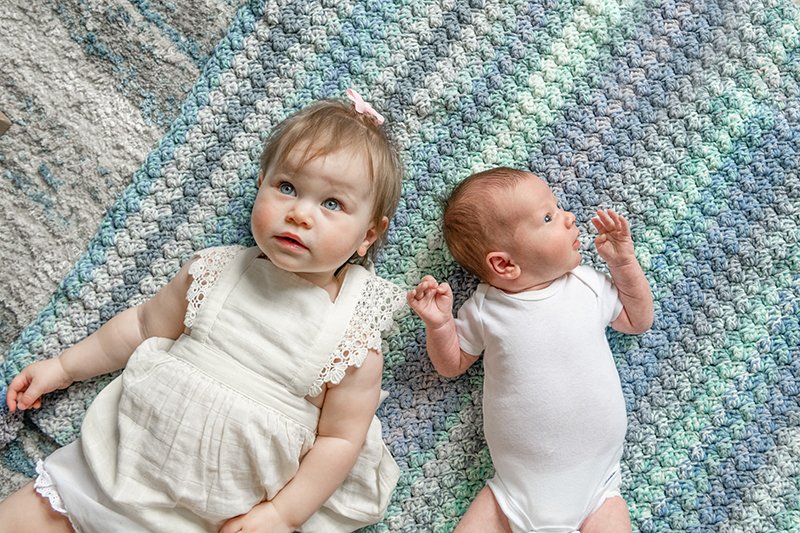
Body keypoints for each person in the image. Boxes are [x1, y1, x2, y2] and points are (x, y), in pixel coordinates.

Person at [0, 89, 406, 533]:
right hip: (110, 470)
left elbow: (339, 441)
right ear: (260, 185)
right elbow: (140, 326)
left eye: (332, 204)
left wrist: (281, 515)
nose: (300, 214)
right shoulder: (213, 272)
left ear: (368, 234)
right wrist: (63, 367)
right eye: (287, 188)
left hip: (208, 514)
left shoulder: (352, 336)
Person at [407, 167, 654, 533]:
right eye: (549, 216)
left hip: (597, 492)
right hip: (510, 497)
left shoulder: (587, 285)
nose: (568, 217)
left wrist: (622, 263)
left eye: (557, 207)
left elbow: (638, 319)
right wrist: (439, 324)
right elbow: (452, 364)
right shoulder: (485, 309)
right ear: (504, 264)